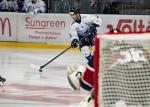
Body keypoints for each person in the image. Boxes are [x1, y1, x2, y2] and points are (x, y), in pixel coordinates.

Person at [67, 7, 102, 107]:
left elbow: (98, 19)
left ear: (78, 13)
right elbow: (73, 35)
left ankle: (96, 63)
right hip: (84, 40)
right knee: (84, 51)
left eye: (74, 14)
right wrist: (73, 41)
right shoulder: (73, 26)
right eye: (71, 15)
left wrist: (93, 26)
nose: (73, 17)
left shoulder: (87, 17)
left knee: (97, 50)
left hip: (92, 36)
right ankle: (93, 64)